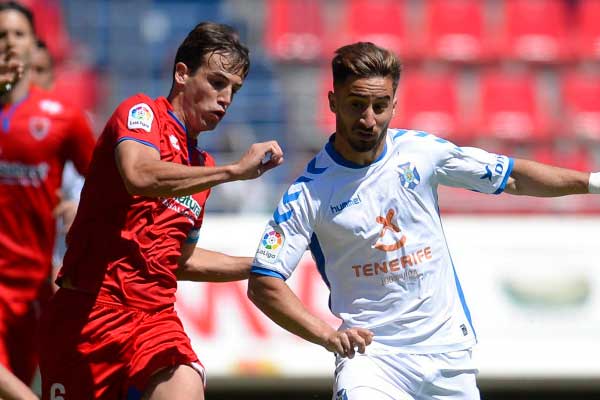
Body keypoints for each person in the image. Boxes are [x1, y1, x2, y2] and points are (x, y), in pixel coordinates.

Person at [247, 42, 598, 400]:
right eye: (357, 105)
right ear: (333, 101)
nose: (369, 119)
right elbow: (264, 282)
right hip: (373, 361)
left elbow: (512, 177)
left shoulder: (422, 153)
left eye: (380, 106)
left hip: (447, 355)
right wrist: (326, 335)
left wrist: (592, 182)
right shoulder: (309, 191)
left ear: (394, 105)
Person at [38, 21, 283, 400]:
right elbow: (139, 174)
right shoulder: (141, 114)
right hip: (88, 312)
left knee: (184, 382)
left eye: (234, 89)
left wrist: (259, 265)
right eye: (217, 82)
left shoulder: (203, 166)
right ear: (182, 73)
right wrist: (233, 172)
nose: (226, 99)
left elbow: (179, 259)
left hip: (153, 319)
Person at [0, 0, 95, 390]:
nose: (8, 42)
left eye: (17, 34)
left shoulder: (63, 118)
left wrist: (81, 206)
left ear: (34, 44)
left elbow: (106, 182)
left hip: (32, 287)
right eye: (0, 35)